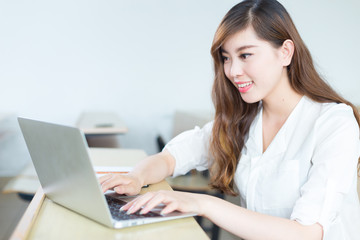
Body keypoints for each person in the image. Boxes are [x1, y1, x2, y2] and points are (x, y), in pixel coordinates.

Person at [99, 0, 360, 239]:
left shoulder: (334, 124)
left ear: (285, 53)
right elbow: (172, 158)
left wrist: (202, 204)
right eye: (226, 58)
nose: (233, 71)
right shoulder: (245, 119)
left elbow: (306, 233)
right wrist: (136, 176)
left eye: (245, 55)